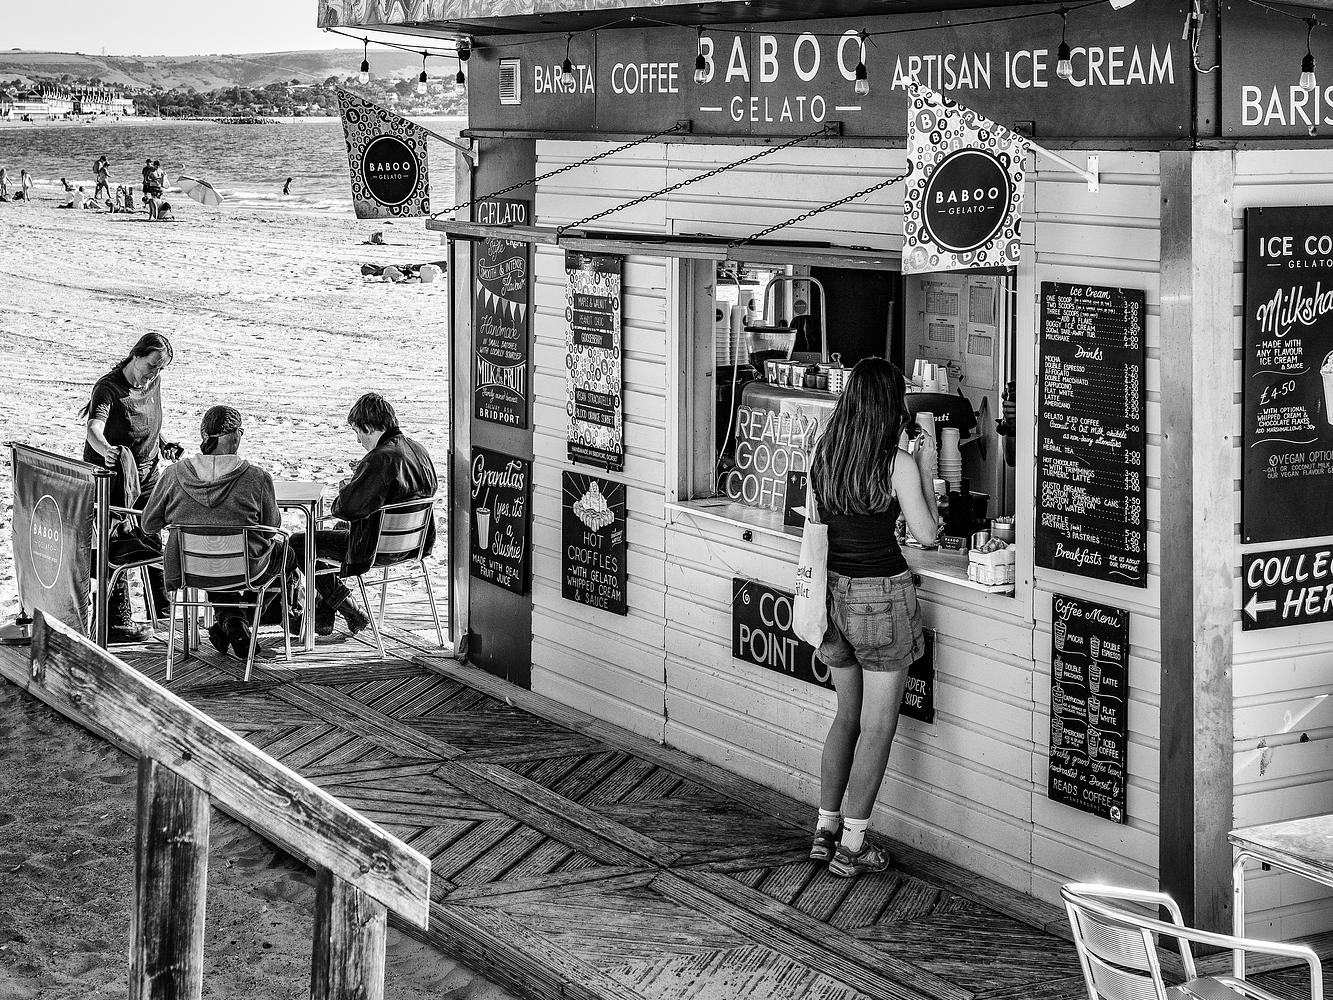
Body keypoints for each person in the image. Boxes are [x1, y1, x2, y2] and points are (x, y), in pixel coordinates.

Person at [807, 357, 938, 878]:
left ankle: (826, 830)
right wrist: (921, 466)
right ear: (889, 404)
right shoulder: (895, 462)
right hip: (880, 595)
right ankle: (854, 845)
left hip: (831, 597)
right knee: (878, 726)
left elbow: (819, 521)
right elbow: (928, 534)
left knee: (846, 716)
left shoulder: (826, 451)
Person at [141, 406, 296, 660]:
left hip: (189, 570)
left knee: (214, 555)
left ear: (204, 435)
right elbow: (271, 528)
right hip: (245, 570)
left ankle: (233, 622)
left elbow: (148, 525)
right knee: (286, 554)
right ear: (235, 436)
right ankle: (239, 621)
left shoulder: (174, 474)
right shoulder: (256, 478)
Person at [291, 393, 437, 637]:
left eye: (357, 432)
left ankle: (348, 607)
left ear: (369, 427)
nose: (358, 440)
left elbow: (347, 509)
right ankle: (325, 614)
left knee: (298, 543)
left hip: (377, 548)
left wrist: (347, 487)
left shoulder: (381, 458)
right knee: (338, 531)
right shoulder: (418, 449)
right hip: (414, 544)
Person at [81, 333, 183, 643]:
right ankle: (117, 621)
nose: (155, 373)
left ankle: (162, 611)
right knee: (119, 542)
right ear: (135, 356)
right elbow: (93, 428)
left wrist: (163, 444)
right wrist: (107, 450)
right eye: (152, 365)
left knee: (151, 534)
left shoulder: (153, 382)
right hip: (113, 477)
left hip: (149, 473)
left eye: (161, 368)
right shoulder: (108, 388)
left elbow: (149, 422)